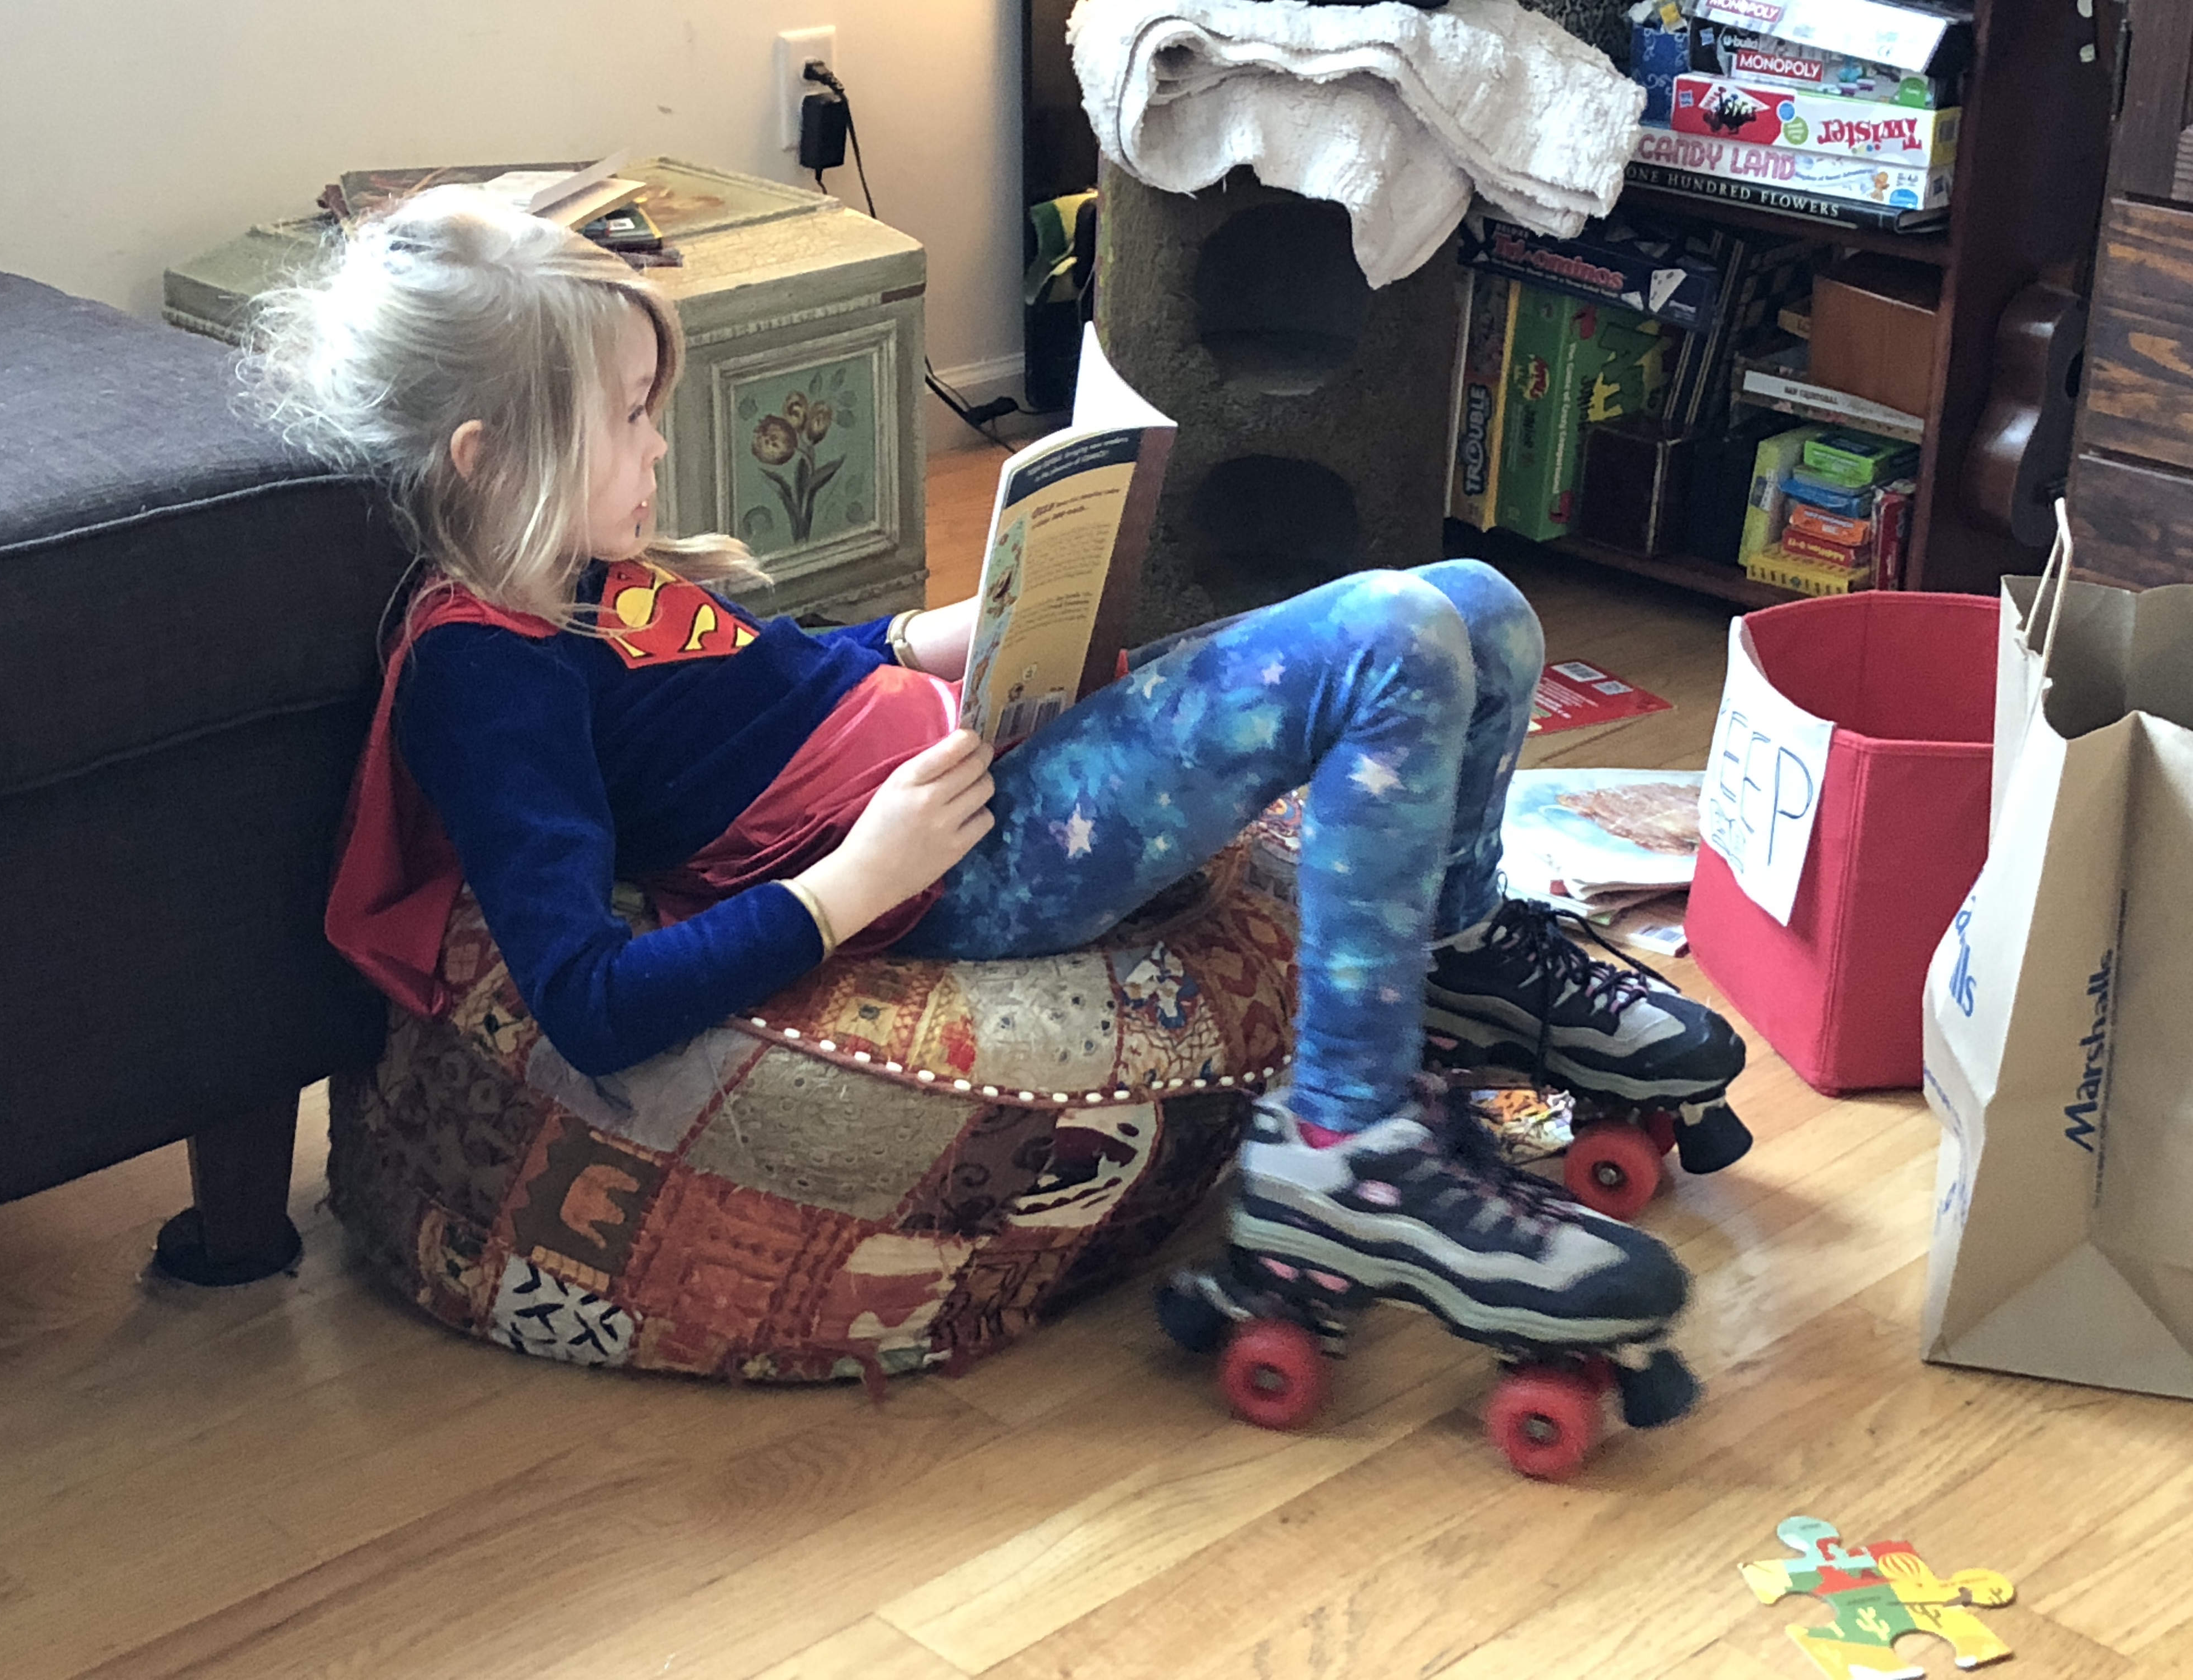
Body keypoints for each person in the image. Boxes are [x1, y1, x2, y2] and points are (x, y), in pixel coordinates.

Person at [248, 186, 1742, 1372]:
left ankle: (1453, 950)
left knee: (1480, 605)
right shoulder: (488, 677)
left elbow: (748, 687)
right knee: (1395, 643)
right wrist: (852, 887)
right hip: (954, 867)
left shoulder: (573, 570)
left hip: (954, 748)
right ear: (485, 457)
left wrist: (926, 634)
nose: (657, 446)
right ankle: (1342, 1159)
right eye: (629, 417)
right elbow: (586, 1001)